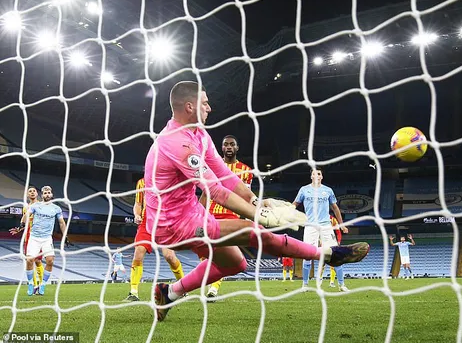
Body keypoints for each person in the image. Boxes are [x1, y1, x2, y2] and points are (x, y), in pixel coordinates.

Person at [145, 81, 369, 321]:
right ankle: (329, 254)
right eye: (205, 103)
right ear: (190, 106)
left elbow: (226, 175)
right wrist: (259, 216)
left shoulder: (199, 134)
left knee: (235, 264)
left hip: (192, 214)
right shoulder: (177, 142)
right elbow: (215, 191)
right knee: (253, 231)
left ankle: (168, 293)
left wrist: (255, 201)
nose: (209, 107)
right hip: (170, 225)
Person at [198, 135, 253, 298]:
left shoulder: (246, 171)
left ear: (237, 148)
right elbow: (205, 192)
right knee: (205, 252)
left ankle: (214, 288)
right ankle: (207, 282)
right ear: (221, 148)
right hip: (211, 214)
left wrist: (248, 216)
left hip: (231, 215)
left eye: (232, 144)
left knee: (223, 253)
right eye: (226, 144)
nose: (229, 147)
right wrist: (198, 213)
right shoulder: (212, 167)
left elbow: (246, 195)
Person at [126, 178, 185, 301]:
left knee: (169, 256)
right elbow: (138, 204)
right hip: (146, 222)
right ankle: (133, 292)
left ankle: (183, 286)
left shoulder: (169, 179)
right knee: (138, 253)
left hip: (165, 222)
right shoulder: (142, 182)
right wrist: (137, 215)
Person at [293, 168, 349, 291]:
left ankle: (341, 285)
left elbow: (335, 208)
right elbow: (294, 205)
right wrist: (287, 215)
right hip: (310, 226)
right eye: (314, 173)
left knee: (335, 253)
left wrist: (341, 225)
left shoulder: (328, 190)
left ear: (321, 177)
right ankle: (305, 285)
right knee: (306, 254)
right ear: (311, 176)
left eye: (319, 173)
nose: (317, 175)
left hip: (326, 226)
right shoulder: (304, 190)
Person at [20, 186, 68, 296]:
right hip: (34, 237)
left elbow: (61, 223)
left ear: (52, 195)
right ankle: (31, 283)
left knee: (50, 261)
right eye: (45, 193)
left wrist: (65, 236)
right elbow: (27, 214)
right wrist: (22, 224)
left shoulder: (56, 208)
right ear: (42, 195)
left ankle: (43, 284)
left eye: (49, 193)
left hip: (47, 238)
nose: (47, 194)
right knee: (29, 260)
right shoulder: (36, 206)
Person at [10, 186, 45, 294]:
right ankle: (34, 285)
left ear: (37, 194)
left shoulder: (42, 205)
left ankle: (41, 284)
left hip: (38, 235)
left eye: (34, 191)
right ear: (27, 195)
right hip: (28, 236)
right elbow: (24, 219)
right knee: (29, 261)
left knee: (38, 261)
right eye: (30, 191)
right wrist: (19, 228)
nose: (32, 192)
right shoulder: (26, 207)